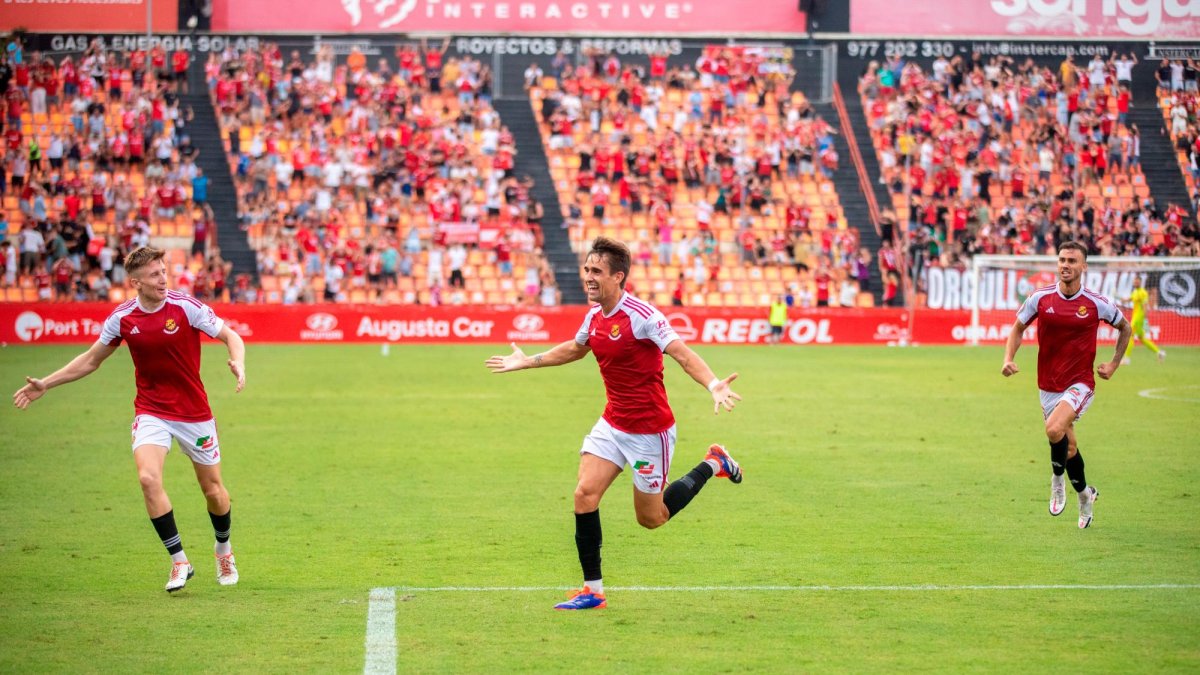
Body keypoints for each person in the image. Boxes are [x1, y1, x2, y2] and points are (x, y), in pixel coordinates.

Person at [485, 237, 743, 610]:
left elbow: (683, 355)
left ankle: (714, 462)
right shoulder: (593, 316)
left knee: (651, 519)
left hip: (648, 433)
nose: (588, 277)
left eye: (596, 271)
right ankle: (593, 590)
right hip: (612, 423)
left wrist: (713, 384)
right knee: (584, 495)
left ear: (617, 276)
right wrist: (529, 361)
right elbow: (576, 348)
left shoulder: (643, 315)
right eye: (587, 269)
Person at [13, 246, 246, 591]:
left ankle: (223, 549)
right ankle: (179, 561)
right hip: (151, 410)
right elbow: (91, 360)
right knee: (148, 479)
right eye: (154, 274)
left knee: (212, 490)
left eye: (164, 271)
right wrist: (46, 383)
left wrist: (238, 361)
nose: (163, 278)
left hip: (193, 412)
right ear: (135, 282)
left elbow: (230, 335)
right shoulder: (122, 318)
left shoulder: (185, 307)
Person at [1001, 241, 1131, 529]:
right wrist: (1008, 357)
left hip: (1080, 383)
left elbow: (1125, 327)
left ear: (1083, 266)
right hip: (1047, 385)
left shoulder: (1097, 303)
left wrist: (1113, 364)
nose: (1065, 265)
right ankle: (1085, 496)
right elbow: (1018, 327)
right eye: (1062, 259)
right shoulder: (1041, 298)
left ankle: (1057, 481)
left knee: (1053, 429)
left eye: (1072, 260)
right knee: (1068, 448)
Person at [1121, 275, 1165, 364]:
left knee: (1130, 335)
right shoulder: (1135, 292)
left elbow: (1145, 307)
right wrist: (1123, 300)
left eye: (1137, 281)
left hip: (1139, 318)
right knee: (1142, 338)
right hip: (1135, 317)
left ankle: (1126, 359)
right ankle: (1159, 352)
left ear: (1140, 282)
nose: (1135, 282)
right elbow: (1129, 299)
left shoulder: (1143, 293)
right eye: (1134, 281)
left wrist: (1145, 320)